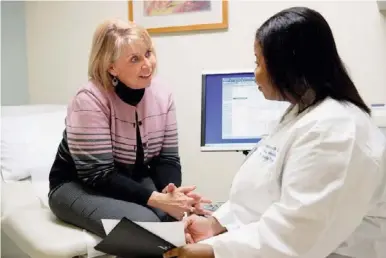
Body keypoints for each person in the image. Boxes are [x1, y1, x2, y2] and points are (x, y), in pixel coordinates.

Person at [163, 6, 386, 258]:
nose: (254, 72)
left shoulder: (336, 131)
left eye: (258, 62)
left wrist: (212, 250)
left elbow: (297, 235)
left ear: (287, 65)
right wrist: (216, 224)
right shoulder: (301, 115)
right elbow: (263, 196)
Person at [48, 19, 210, 238]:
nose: (147, 64)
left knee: (173, 219)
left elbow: (167, 159)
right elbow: (98, 174)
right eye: (135, 59)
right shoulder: (89, 99)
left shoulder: (163, 93)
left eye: (148, 53)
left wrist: (172, 194)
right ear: (111, 66)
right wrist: (158, 200)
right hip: (77, 185)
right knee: (149, 227)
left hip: (131, 178)